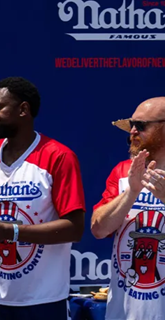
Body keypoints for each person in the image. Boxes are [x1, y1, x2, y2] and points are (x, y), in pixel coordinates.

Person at [0, 77, 85, 319]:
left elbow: (74, 228)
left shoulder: (58, 156)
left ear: (23, 109)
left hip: (43, 301)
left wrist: (9, 231)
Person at [91, 97, 165, 320]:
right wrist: (131, 192)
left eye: (141, 126)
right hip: (123, 313)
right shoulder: (123, 172)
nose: (132, 131)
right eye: (132, 124)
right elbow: (98, 229)